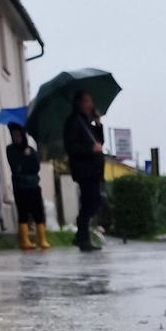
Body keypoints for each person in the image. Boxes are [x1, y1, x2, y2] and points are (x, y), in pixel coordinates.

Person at [63, 90, 106, 252]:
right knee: (88, 202)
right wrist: (90, 149)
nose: (91, 105)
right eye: (87, 102)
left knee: (95, 202)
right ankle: (83, 238)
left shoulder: (86, 121)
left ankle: (80, 236)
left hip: (94, 171)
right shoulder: (73, 122)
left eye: (91, 102)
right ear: (79, 103)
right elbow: (72, 147)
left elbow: (99, 142)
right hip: (84, 170)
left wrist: (98, 123)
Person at [6, 123, 50, 250]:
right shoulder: (10, 149)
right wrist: (24, 158)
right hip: (19, 186)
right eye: (14, 135)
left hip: (33, 185)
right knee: (23, 212)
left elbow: (36, 167)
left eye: (19, 135)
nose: (16, 137)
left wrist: (29, 156)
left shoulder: (32, 150)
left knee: (38, 212)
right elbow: (15, 166)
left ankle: (42, 239)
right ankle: (24, 240)